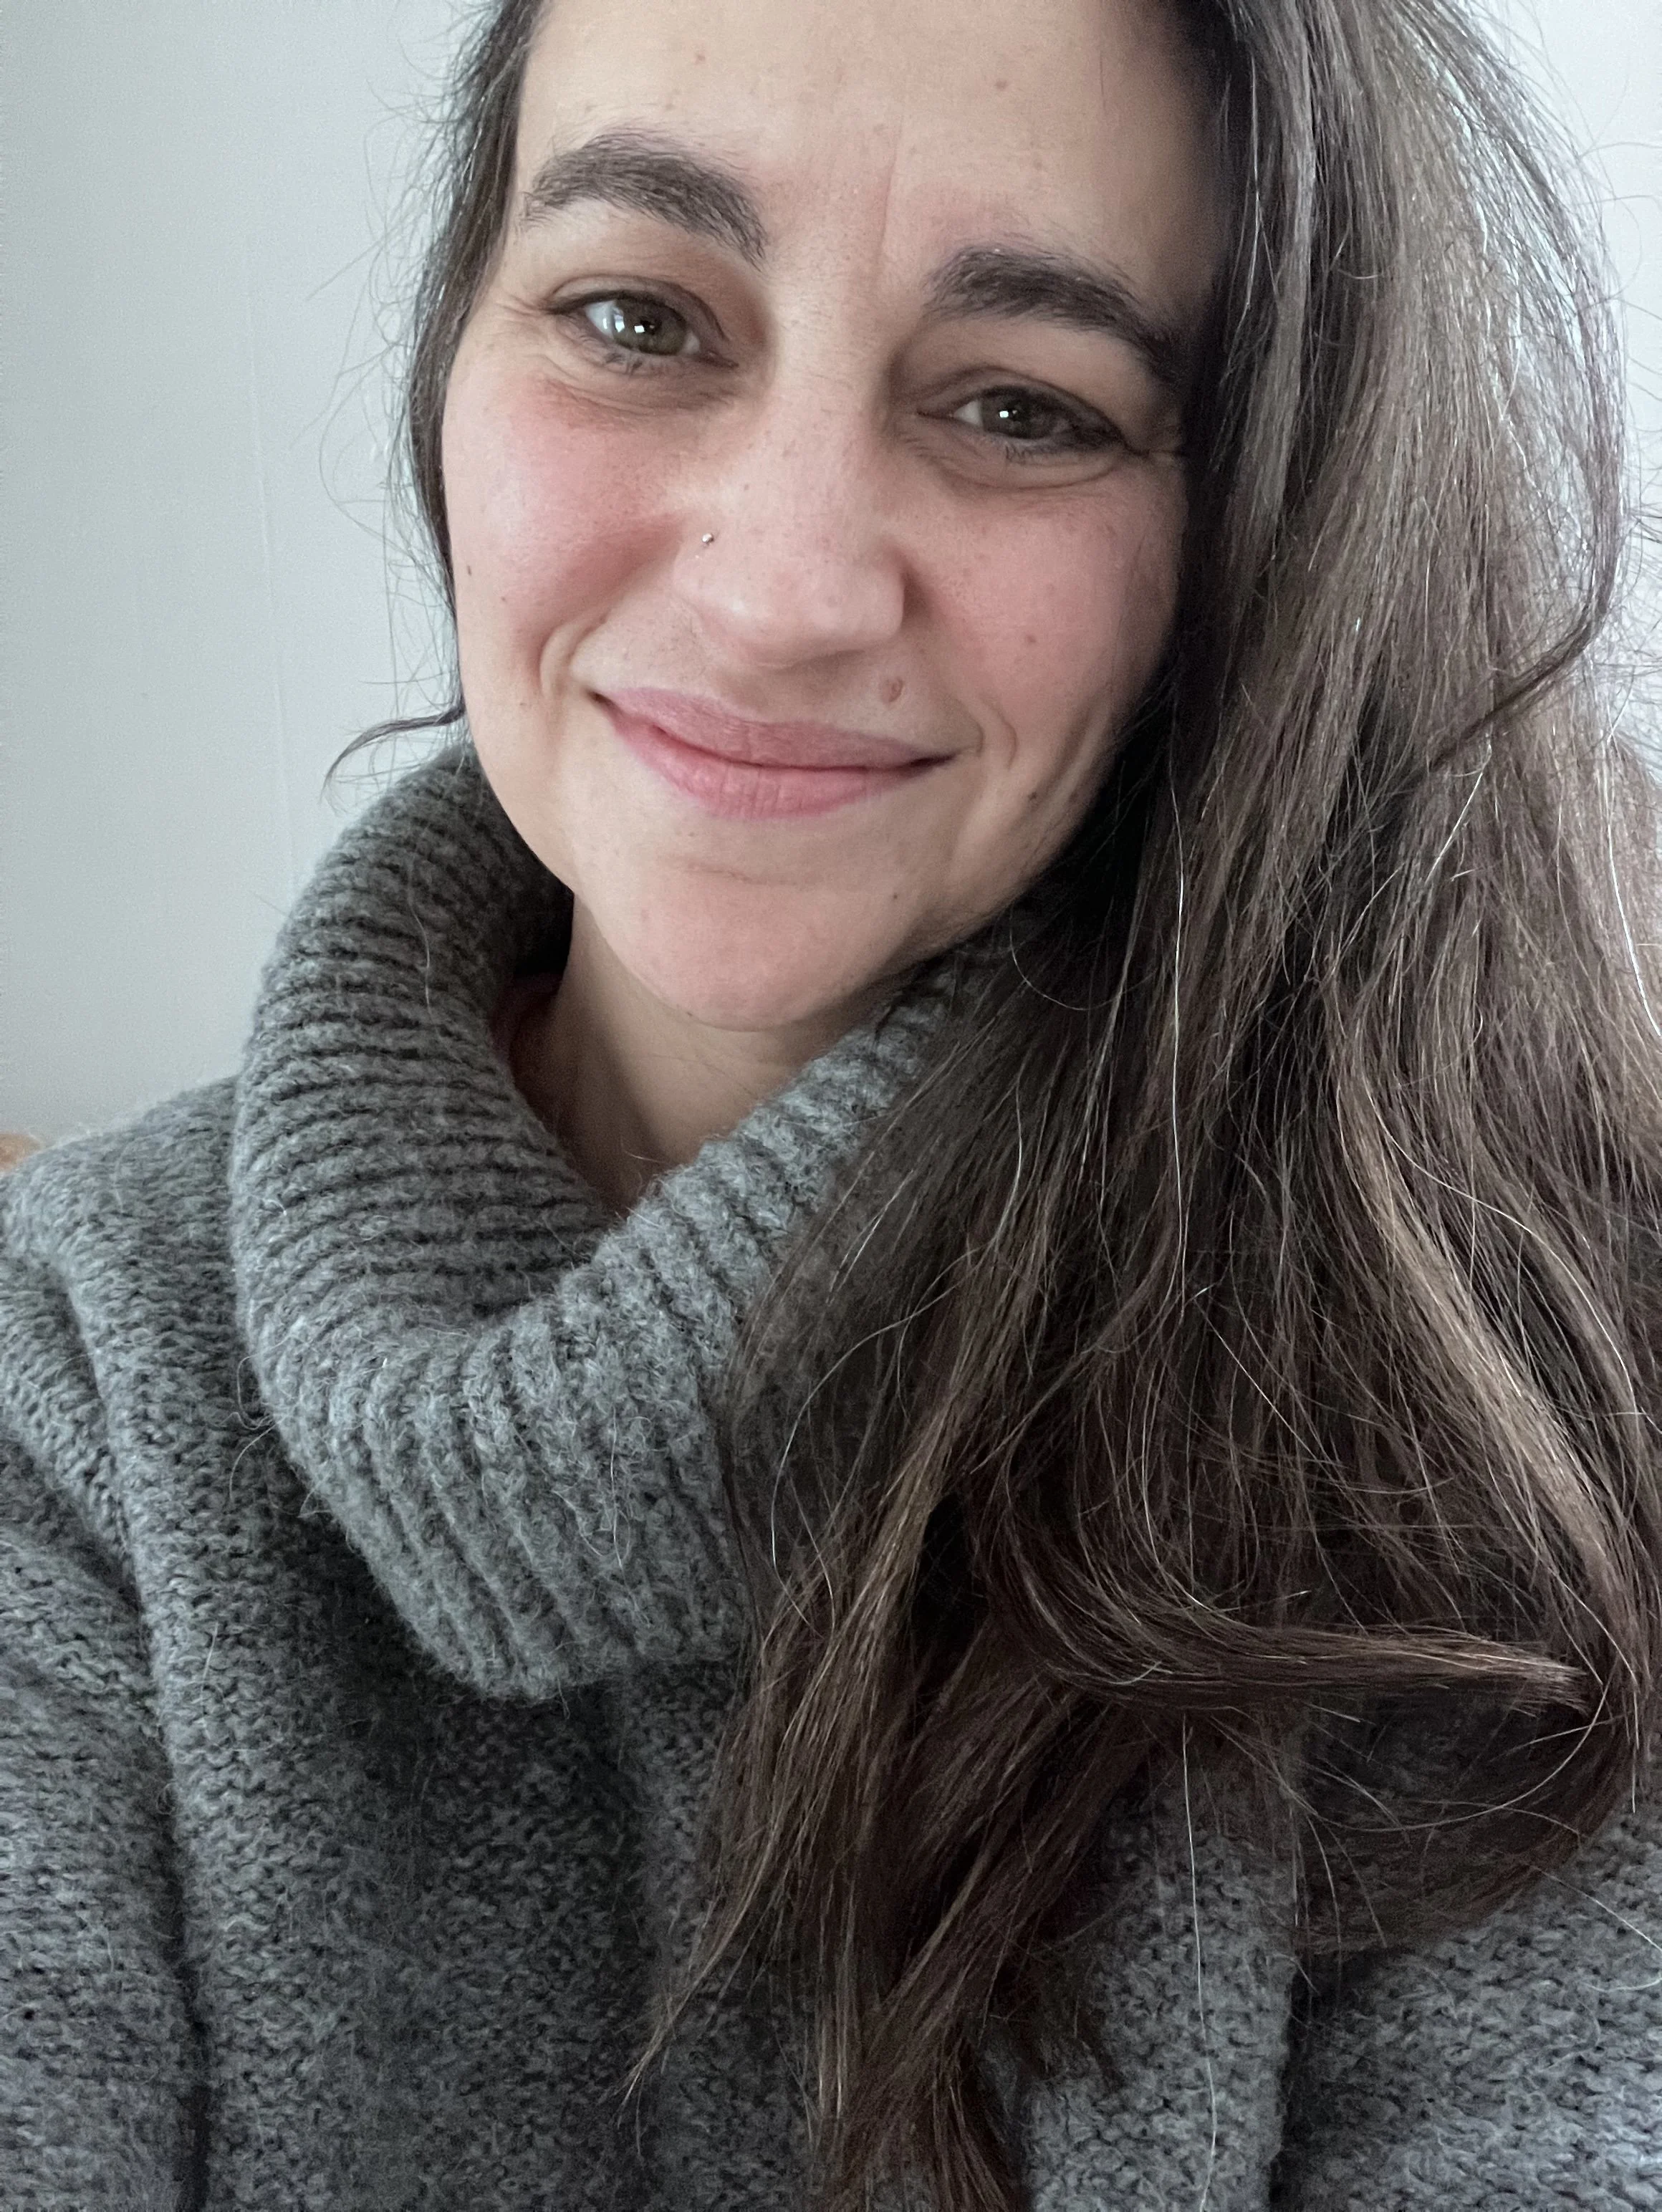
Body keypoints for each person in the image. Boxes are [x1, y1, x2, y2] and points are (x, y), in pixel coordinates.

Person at [3, 0, 1658, 2203]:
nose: (784, 590)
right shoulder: (70, 1386)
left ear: (1262, 537)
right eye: (636, 315)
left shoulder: (1547, 1408)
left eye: (1021, 405)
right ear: (451, 368)